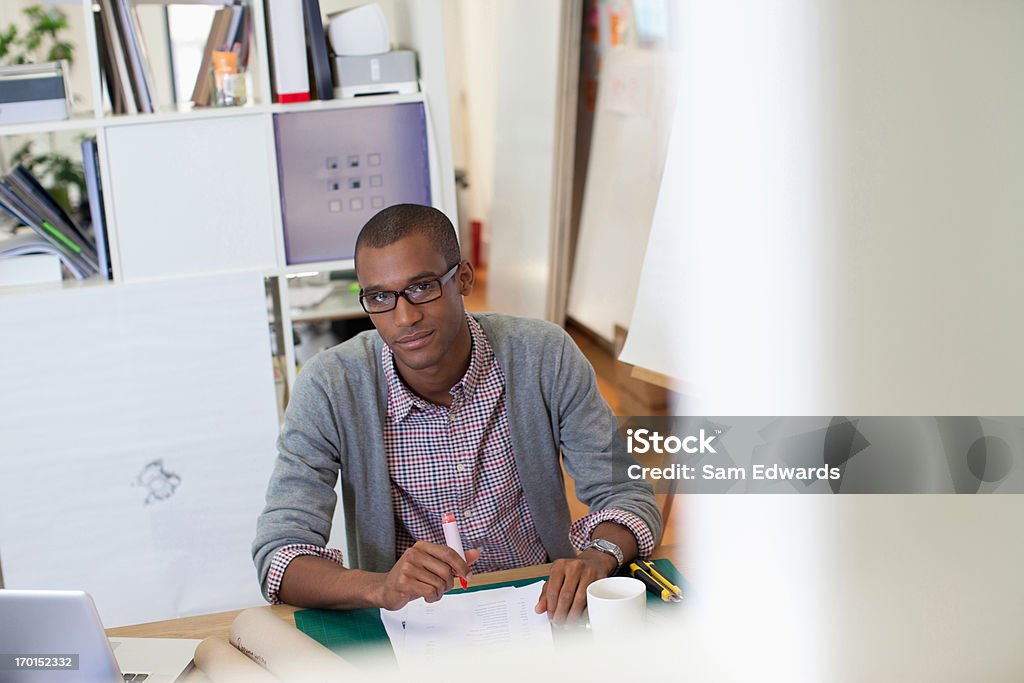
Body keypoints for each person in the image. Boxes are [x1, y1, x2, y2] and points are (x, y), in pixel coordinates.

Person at [253, 204, 661, 624]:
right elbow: (280, 554)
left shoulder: (544, 356)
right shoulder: (331, 385)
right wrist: (379, 586)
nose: (405, 317)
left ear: (462, 277)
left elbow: (626, 495)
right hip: (414, 624)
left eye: (422, 287)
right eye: (379, 297)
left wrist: (597, 558)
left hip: (539, 607)